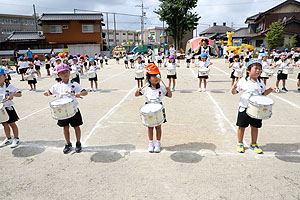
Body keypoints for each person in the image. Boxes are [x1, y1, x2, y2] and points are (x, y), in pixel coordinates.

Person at [231, 59, 277, 154]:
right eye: (255, 68)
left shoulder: (260, 82)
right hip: (244, 107)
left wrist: (271, 89)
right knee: (241, 126)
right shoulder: (243, 81)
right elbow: (234, 93)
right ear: (248, 70)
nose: (258, 71)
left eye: (260, 69)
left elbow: (263, 93)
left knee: (255, 127)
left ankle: (254, 143)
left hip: (256, 109)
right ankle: (240, 143)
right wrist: (233, 89)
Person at [44, 64, 88, 154]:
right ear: (58, 75)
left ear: (69, 72)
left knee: (76, 126)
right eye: (62, 73)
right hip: (62, 111)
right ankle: (68, 143)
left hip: (73, 109)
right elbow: (49, 91)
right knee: (65, 127)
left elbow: (85, 92)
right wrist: (47, 93)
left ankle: (78, 143)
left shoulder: (74, 84)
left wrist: (80, 94)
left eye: (66, 72)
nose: (65, 74)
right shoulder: (57, 86)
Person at [135, 63, 172, 153]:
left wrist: (168, 90)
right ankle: (151, 143)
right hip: (149, 108)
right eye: (153, 76)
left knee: (158, 127)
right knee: (150, 127)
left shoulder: (162, 88)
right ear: (148, 78)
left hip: (158, 108)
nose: (156, 78)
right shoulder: (146, 88)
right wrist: (137, 91)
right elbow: (136, 95)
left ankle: (158, 143)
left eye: (157, 76)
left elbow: (170, 96)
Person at [0, 68, 22, 148]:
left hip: (8, 108)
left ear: (5, 76)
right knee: (4, 124)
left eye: (0, 76)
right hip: (1, 109)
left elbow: (19, 93)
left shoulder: (9, 86)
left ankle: (16, 138)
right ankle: (8, 138)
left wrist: (13, 95)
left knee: (12, 123)